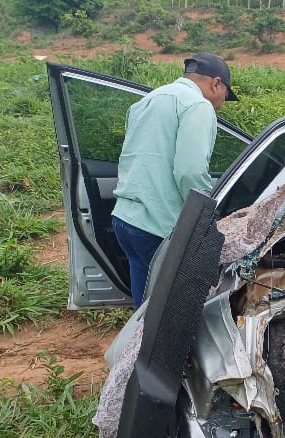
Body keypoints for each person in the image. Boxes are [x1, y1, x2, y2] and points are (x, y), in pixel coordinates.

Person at [111, 53, 238, 308]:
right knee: (171, 312)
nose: (221, 104)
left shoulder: (148, 100)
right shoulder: (197, 105)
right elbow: (189, 172)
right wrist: (204, 220)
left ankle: (141, 346)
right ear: (216, 84)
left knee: (145, 306)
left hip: (125, 219)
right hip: (158, 227)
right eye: (224, 95)